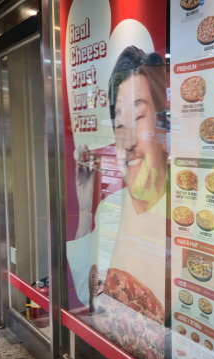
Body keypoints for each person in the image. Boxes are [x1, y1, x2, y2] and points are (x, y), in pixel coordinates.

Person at [68, 45, 169, 315]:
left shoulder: (185, 215)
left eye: (138, 118)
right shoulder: (110, 208)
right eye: (120, 124)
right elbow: (88, 296)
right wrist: (85, 208)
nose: (128, 141)